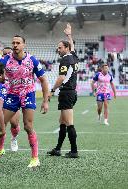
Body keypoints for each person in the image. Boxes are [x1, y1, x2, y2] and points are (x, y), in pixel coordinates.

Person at [0, 35, 49, 168]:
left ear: (24, 45)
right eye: (13, 42)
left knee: (28, 126)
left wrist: (45, 101)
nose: (15, 45)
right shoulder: (5, 60)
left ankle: (35, 158)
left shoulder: (32, 60)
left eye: (18, 43)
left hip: (28, 94)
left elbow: (43, 80)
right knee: (0, 124)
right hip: (12, 95)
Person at [47, 23, 79, 158]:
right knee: (62, 122)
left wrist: (52, 90)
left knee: (69, 123)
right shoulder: (73, 55)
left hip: (66, 93)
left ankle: (74, 151)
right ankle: (58, 149)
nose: (58, 49)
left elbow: (60, 78)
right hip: (71, 92)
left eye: (60, 48)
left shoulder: (65, 60)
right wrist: (69, 35)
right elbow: (72, 46)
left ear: (66, 48)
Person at [1, 47, 21, 152]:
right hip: (0, 98)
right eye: (5, 54)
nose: (7, 55)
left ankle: (14, 138)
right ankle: (0, 146)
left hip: (13, 97)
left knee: (14, 123)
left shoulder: (16, 68)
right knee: (1, 123)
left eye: (9, 53)